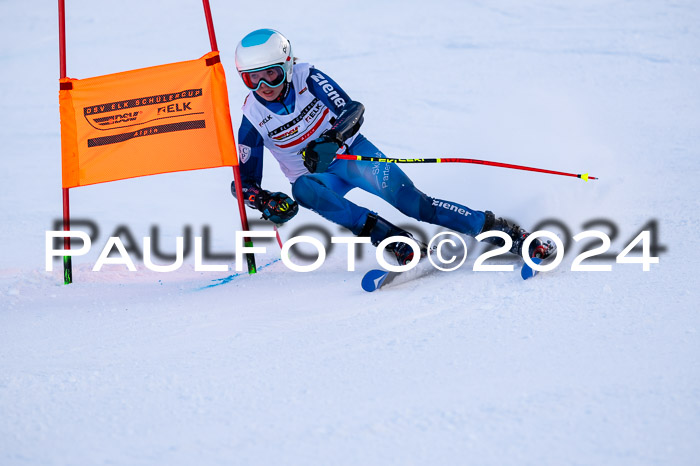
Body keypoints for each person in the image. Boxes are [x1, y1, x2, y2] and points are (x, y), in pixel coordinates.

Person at [232, 28, 553, 265]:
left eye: (271, 75)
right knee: (302, 189)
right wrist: (265, 200)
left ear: (287, 66)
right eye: (252, 79)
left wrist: (333, 139)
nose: (264, 87)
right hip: (319, 178)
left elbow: (352, 110)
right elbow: (242, 183)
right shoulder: (253, 115)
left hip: (354, 156)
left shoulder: (308, 77)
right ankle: (392, 239)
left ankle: (505, 234)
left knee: (415, 205)